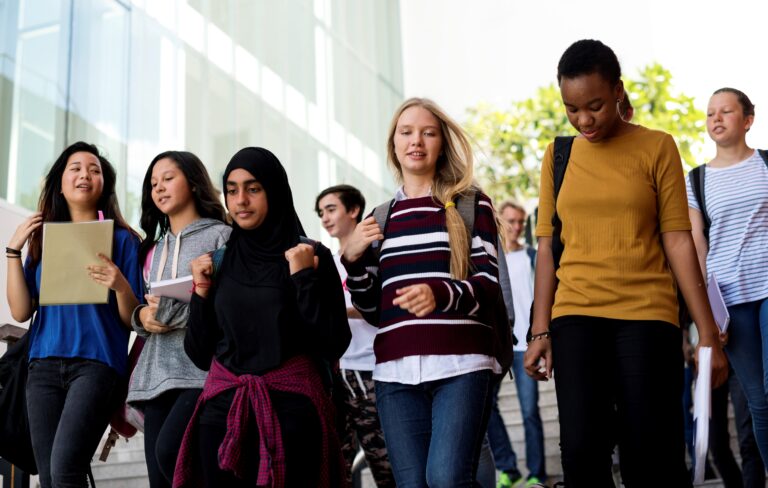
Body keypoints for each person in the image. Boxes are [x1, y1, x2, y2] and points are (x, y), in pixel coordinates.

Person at [524, 39, 728, 487]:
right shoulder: (559, 156)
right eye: (571, 109)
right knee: (580, 449)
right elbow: (546, 249)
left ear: (618, 90)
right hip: (575, 315)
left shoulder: (657, 147)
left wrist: (707, 333)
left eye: (594, 105)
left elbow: (678, 240)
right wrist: (540, 330)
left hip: (647, 316)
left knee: (649, 451)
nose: (584, 120)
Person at [342, 97, 503, 487]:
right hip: (394, 374)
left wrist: (440, 294)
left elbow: (488, 285)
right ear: (394, 145)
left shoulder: (470, 204)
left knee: (446, 478)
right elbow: (375, 310)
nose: (417, 141)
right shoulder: (379, 219)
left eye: (428, 133)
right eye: (407, 132)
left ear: (442, 143)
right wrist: (352, 261)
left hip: (461, 366)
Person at [174, 147, 351, 487]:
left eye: (253, 188)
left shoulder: (312, 256)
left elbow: (333, 342)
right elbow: (199, 353)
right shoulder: (219, 261)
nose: (240, 199)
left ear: (274, 190)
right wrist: (201, 292)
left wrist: (302, 279)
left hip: (292, 418)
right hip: (221, 416)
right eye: (232, 189)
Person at [5, 141, 142, 488]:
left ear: (104, 184)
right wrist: (12, 251)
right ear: (60, 182)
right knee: (50, 476)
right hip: (42, 367)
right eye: (76, 168)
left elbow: (132, 319)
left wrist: (121, 285)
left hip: (97, 366)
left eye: (94, 170)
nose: (85, 174)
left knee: (66, 469)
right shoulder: (42, 239)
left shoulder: (123, 239)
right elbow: (21, 311)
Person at [128, 151, 230, 487]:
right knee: (159, 477)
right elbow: (147, 312)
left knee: (171, 453)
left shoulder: (221, 236)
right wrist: (143, 316)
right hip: (157, 373)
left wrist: (169, 310)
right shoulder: (155, 249)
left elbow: (224, 305)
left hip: (201, 372)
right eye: (154, 183)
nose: (159, 187)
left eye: (168, 178)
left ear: (193, 181)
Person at [687, 87, 768, 466]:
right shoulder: (696, 180)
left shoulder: (767, 164)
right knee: (759, 401)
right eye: (710, 113)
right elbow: (698, 248)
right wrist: (708, 313)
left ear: (748, 120)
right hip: (730, 303)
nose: (716, 118)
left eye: (726, 111)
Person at [315, 184, 395, 487]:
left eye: (331, 209)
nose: (324, 218)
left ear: (354, 211)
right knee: (338, 465)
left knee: (385, 464)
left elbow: (382, 305)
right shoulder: (325, 262)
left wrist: (337, 309)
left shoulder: (377, 253)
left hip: (373, 372)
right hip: (336, 374)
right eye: (321, 212)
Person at [488, 201, 546, 488]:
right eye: (511, 221)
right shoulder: (489, 257)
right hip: (498, 344)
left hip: (527, 343)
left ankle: (538, 472)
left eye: (521, 222)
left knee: (529, 411)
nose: (516, 227)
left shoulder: (532, 257)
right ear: (499, 221)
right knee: (486, 406)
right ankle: (507, 467)